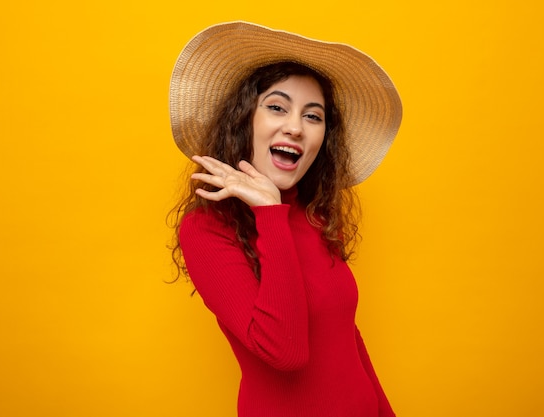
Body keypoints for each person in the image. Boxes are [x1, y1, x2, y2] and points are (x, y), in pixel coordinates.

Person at [167, 22, 402, 417]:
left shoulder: (319, 215)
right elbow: (286, 353)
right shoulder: (207, 229)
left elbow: (347, 340)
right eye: (277, 107)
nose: (295, 127)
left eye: (314, 116)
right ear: (245, 121)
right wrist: (269, 215)